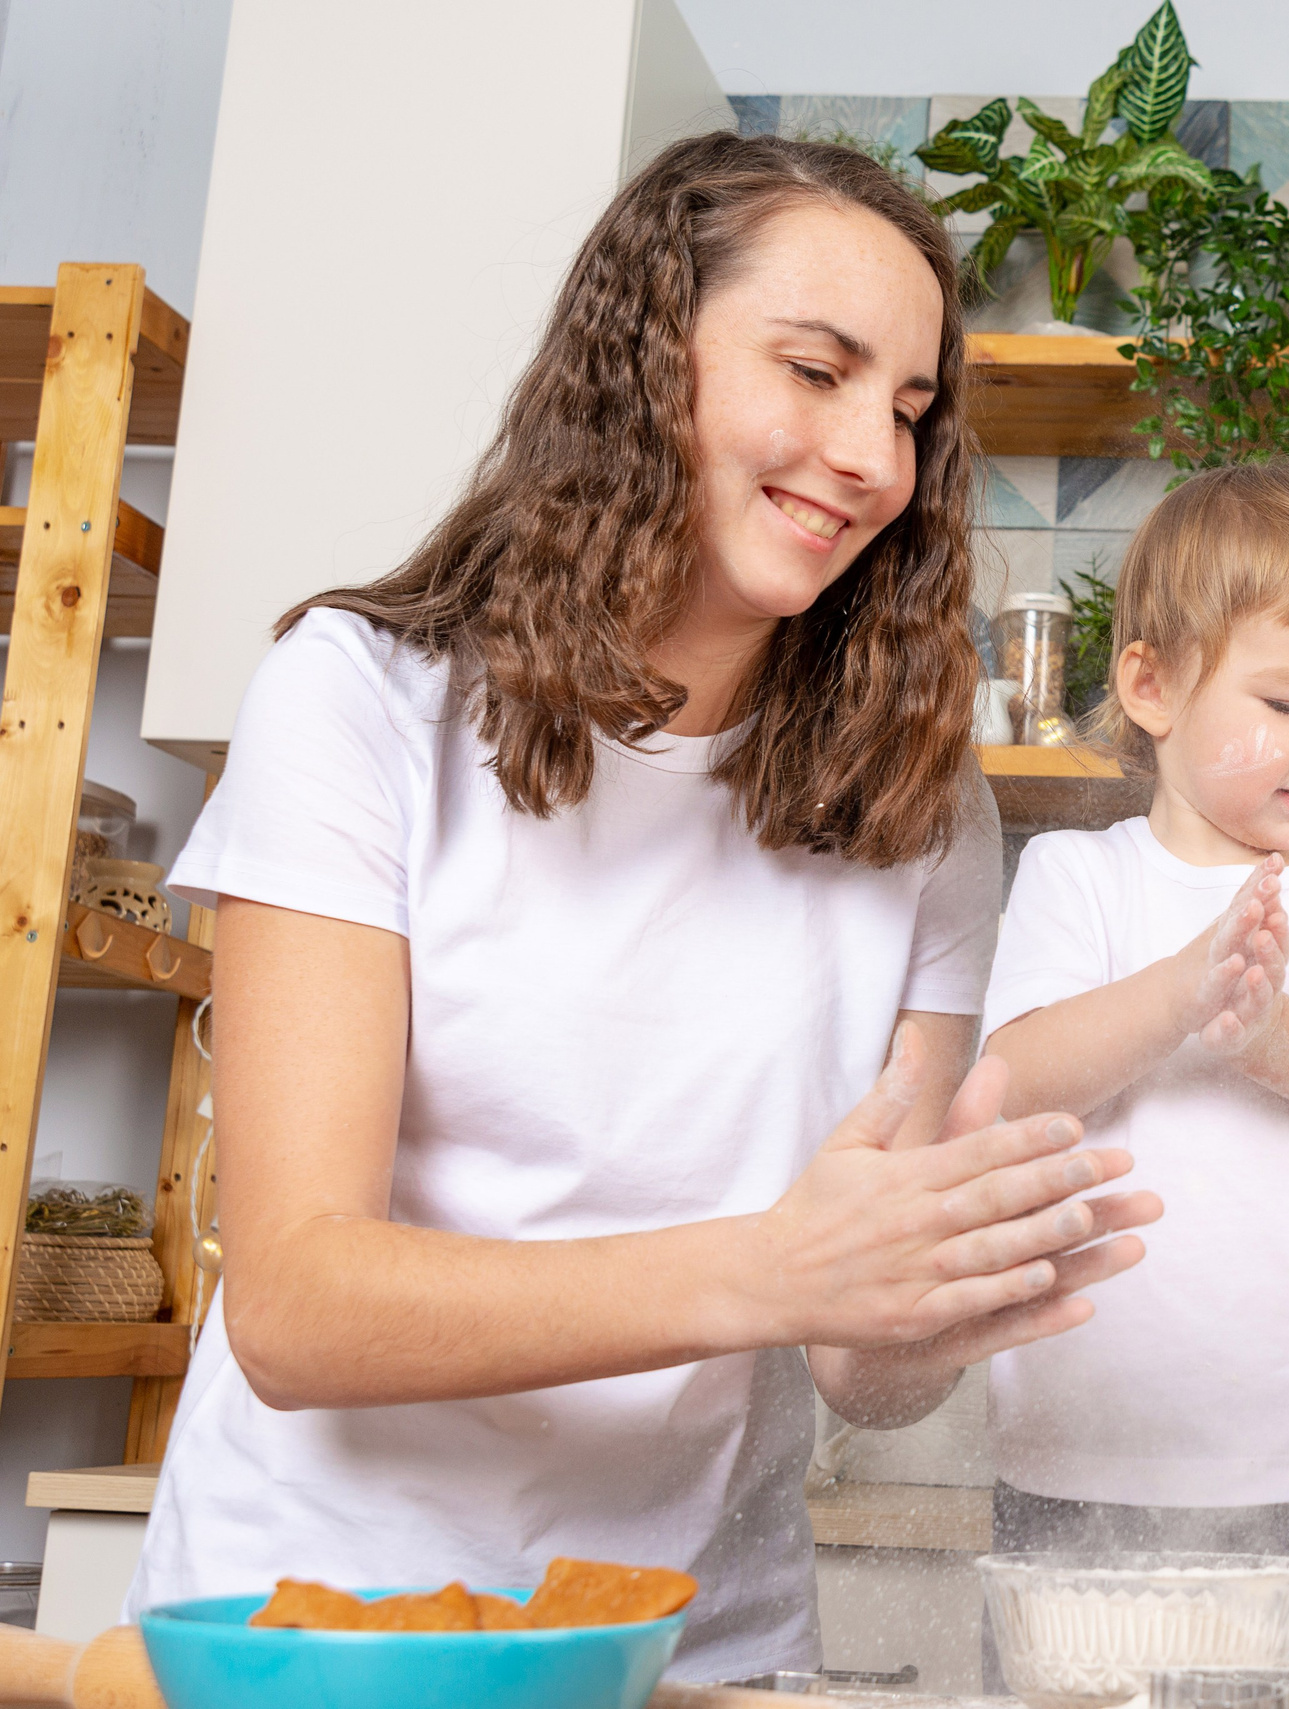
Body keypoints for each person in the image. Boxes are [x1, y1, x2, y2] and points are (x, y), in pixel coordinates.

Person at [125, 134, 1161, 1682]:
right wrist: (776, 1266)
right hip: (327, 1632)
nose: (874, 457)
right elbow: (296, 1301)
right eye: (815, 370)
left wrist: (927, 1303)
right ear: (642, 355)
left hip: (693, 1641)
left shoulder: (919, 806)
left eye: (908, 409)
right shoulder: (360, 705)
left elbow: (850, 1362)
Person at [837, 461, 1289, 1692]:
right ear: (1152, 684)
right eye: (1288, 701)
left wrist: (1271, 1033)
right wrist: (1181, 995)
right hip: (1084, 1460)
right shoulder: (1081, 879)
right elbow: (1012, 1080)